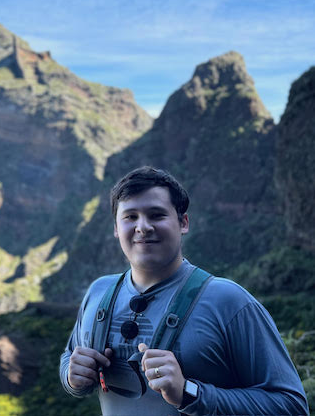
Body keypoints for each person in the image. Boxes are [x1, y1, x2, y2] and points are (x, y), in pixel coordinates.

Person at [59, 166, 308, 415]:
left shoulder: (229, 302)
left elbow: (292, 406)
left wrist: (189, 392)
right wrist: (72, 378)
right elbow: (69, 357)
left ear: (183, 223)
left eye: (156, 215)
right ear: (116, 228)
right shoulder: (98, 292)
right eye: (130, 217)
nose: (143, 227)